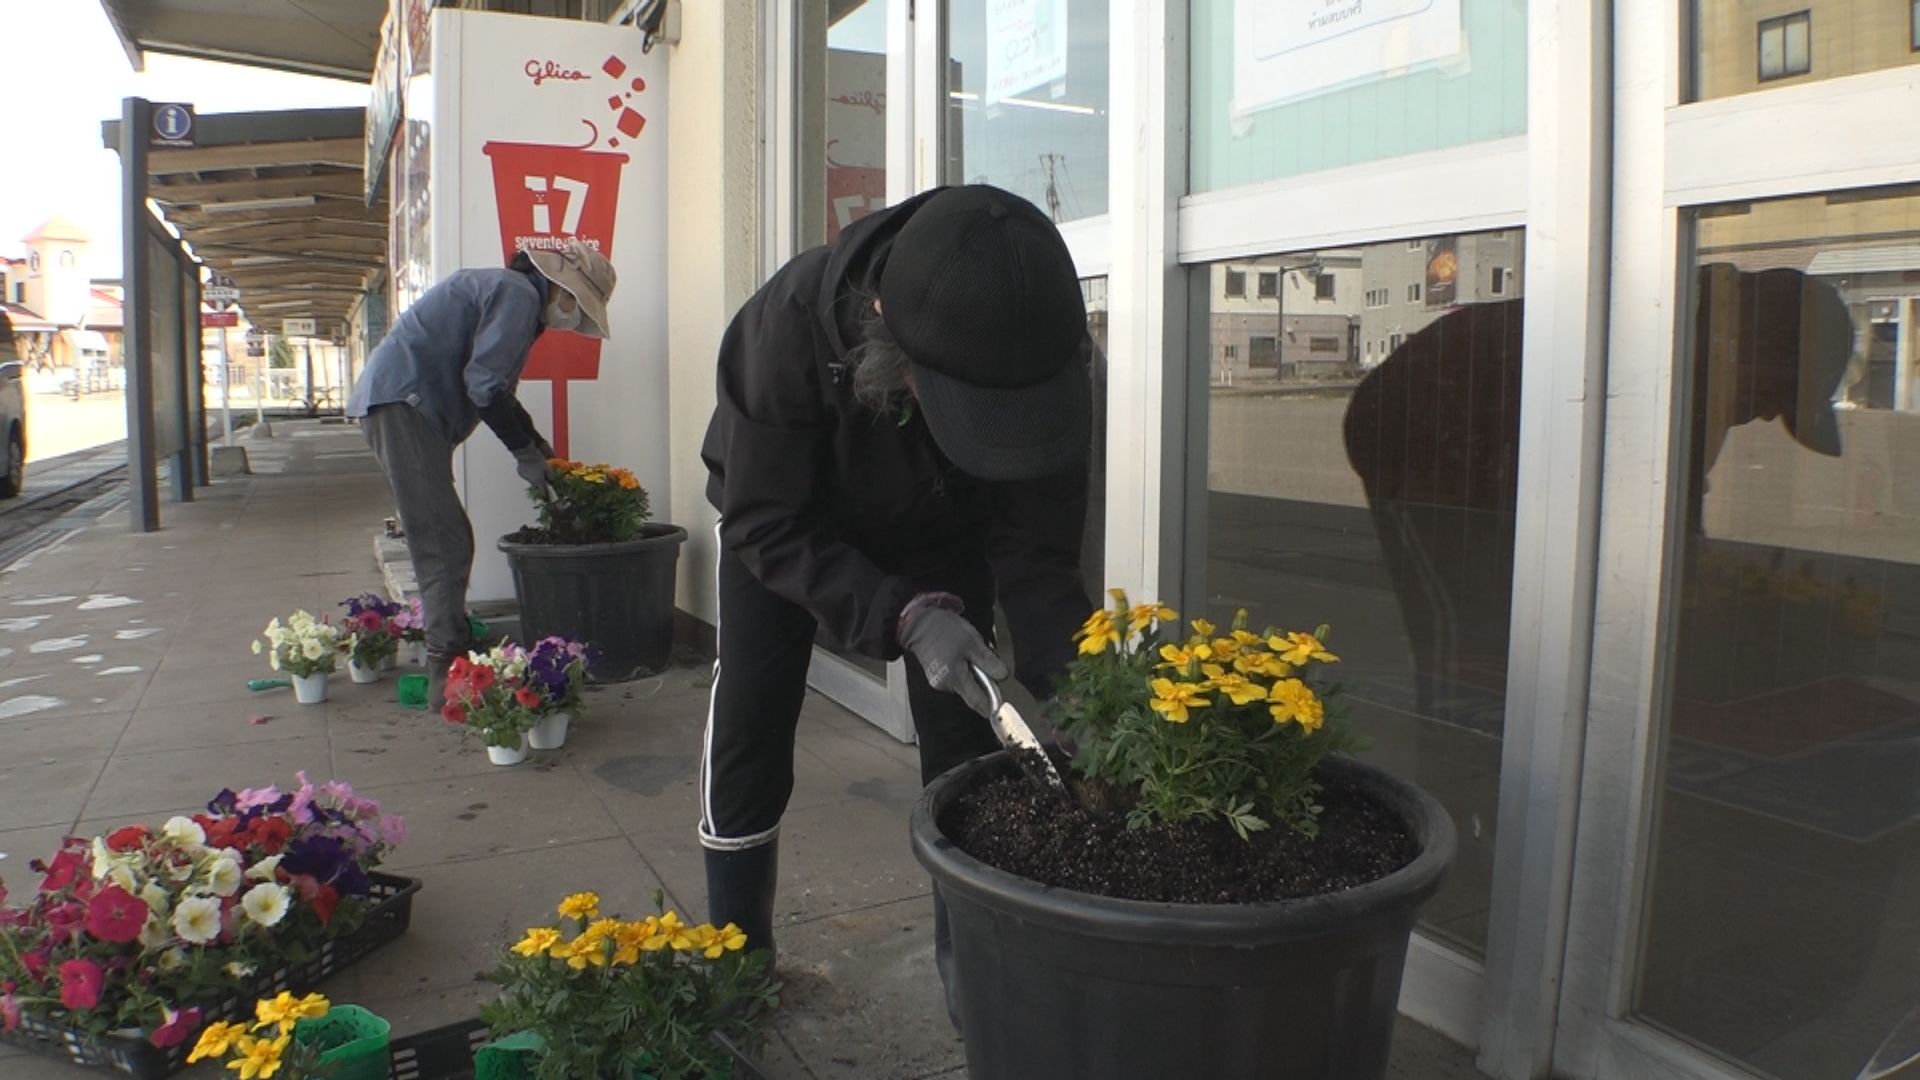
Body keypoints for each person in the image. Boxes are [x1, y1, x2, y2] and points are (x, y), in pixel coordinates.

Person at [698, 185, 1094, 1002]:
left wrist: (1084, 694)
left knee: (966, 735)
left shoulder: (1036, 341)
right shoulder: (787, 327)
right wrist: (901, 615)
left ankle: (970, 974)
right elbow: (762, 520)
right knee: (751, 715)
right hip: (784, 527)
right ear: (882, 328)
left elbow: (1040, 557)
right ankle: (739, 956)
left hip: (941, 534)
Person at [346, 239, 617, 706]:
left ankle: (449, 650)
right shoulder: (517, 294)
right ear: (560, 288)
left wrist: (540, 450)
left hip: (405, 408)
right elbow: (485, 387)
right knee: (443, 540)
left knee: (444, 535)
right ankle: (444, 670)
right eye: (577, 306)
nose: (573, 320)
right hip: (403, 407)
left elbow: (498, 394)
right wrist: (525, 453)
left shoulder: (513, 296)